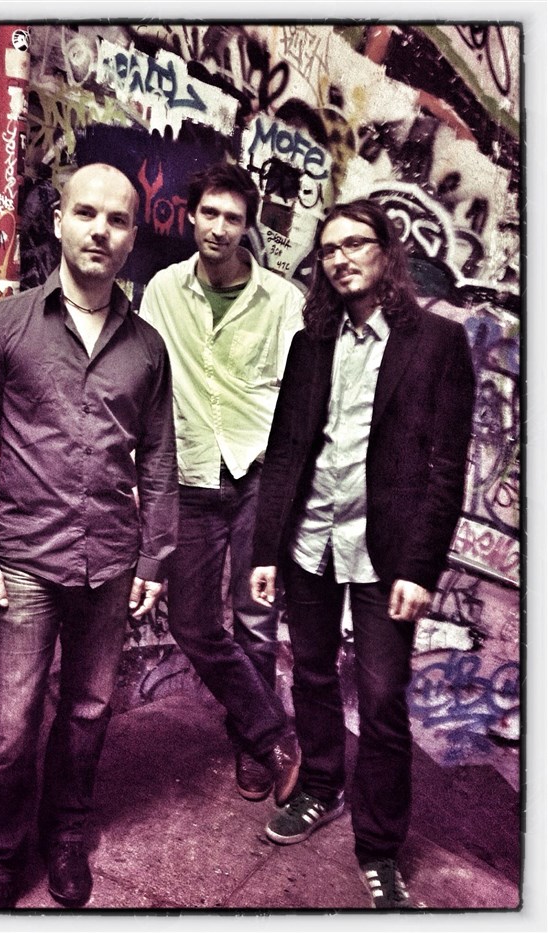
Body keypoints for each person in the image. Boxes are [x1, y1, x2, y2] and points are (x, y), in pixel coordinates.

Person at [0, 163, 178, 910]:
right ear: (59, 221)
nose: (100, 230)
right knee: (8, 730)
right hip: (24, 561)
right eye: (86, 213)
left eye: (117, 220)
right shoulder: (3, 325)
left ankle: (66, 833)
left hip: (110, 561)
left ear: (133, 238)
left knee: (87, 712)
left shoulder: (148, 348)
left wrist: (155, 557)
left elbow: (160, 458)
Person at [250, 199, 475, 909]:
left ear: (386, 250)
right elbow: (286, 450)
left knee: (380, 701)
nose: (340, 258)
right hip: (310, 541)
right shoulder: (310, 344)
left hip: (387, 554)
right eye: (329, 249)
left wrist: (421, 568)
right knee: (312, 673)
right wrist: (265, 549)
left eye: (355, 243)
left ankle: (379, 848)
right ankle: (321, 786)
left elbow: (447, 467)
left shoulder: (436, 342)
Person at [140, 162, 304, 806]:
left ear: (247, 227)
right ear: (192, 216)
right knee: (191, 621)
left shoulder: (281, 301)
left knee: (255, 621)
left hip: (257, 476)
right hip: (191, 475)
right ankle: (274, 732)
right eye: (209, 213)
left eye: (233, 218)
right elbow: (146, 383)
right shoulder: (162, 291)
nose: (219, 227)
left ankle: (254, 747)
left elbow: (297, 396)